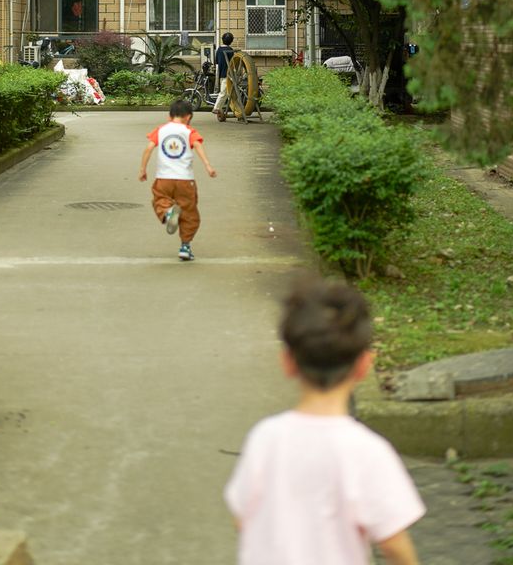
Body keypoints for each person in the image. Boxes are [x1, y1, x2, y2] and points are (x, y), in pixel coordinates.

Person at [224, 277, 425, 565]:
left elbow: (242, 518)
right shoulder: (368, 451)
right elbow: (393, 543)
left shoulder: (265, 438)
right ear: (364, 366)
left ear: (288, 362)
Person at [139, 97, 217, 262]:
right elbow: (198, 146)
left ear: (169, 116)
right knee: (189, 213)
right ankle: (185, 247)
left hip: (163, 178)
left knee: (160, 199)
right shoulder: (189, 132)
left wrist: (143, 169)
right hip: (185, 180)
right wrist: (208, 166)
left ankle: (168, 212)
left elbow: (149, 148)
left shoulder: (161, 130)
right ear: (188, 117)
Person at [213, 32, 236, 121]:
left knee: (228, 93)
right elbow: (234, 63)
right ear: (231, 41)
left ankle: (234, 110)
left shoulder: (219, 50)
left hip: (221, 73)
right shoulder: (230, 50)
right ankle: (216, 107)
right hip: (228, 74)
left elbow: (217, 62)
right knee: (224, 92)